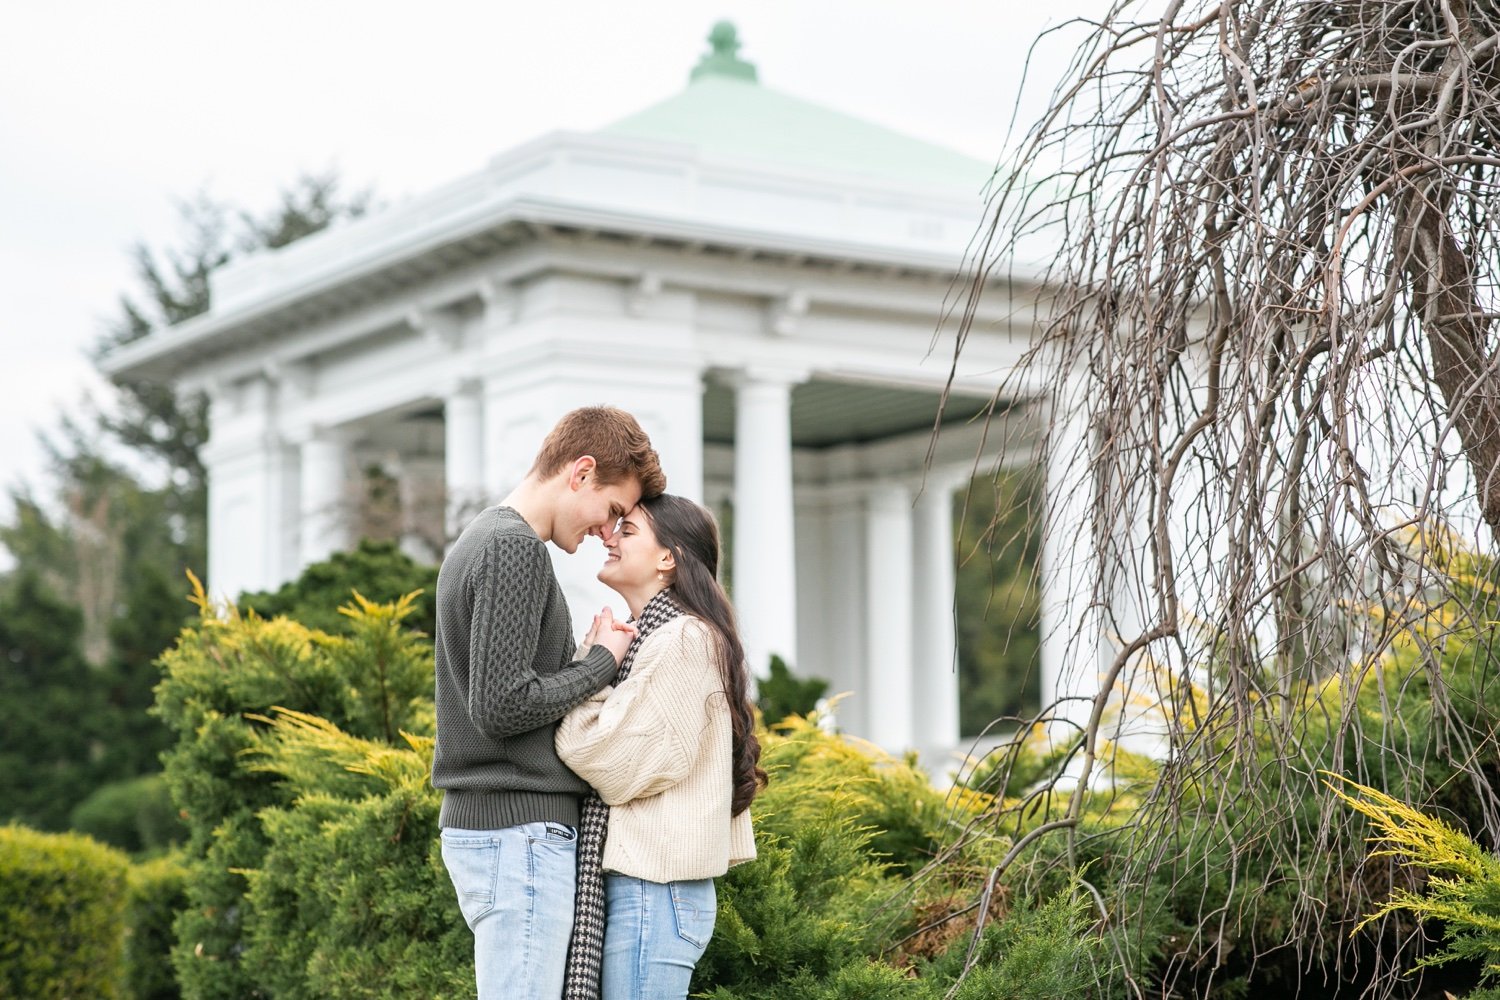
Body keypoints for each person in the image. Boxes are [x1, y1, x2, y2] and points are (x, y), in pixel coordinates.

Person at [432, 405, 666, 1000]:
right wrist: (600, 665)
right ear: (581, 472)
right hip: (519, 835)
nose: (607, 531)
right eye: (612, 510)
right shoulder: (514, 548)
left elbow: (501, 689)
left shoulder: (485, 537)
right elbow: (502, 705)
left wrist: (576, 664)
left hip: (501, 832)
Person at [556, 493, 766, 1000]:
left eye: (626, 532)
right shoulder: (663, 638)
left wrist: (593, 663)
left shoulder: (683, 640)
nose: (608, 536)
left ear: (668, 558)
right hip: (650, 890)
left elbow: (607, 761)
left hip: (655, 891)